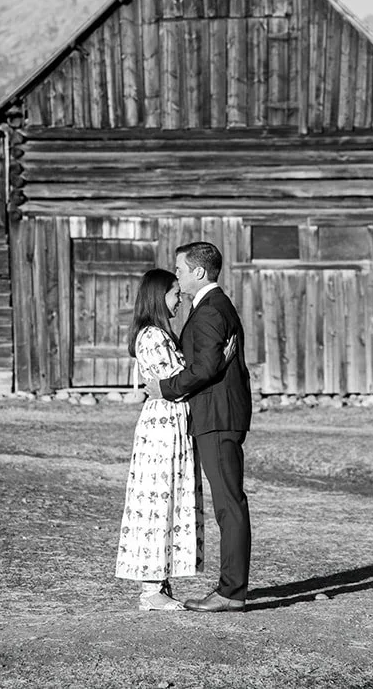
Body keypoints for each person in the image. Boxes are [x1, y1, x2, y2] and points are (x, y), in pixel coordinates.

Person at [144, 241, 253, 613]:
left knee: (228, 504)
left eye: (179, 270)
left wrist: (164, 388)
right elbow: (210, 363)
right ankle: (231, 589)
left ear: (198, 272)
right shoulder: (211, 307)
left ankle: (231, 592)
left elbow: (204, 368)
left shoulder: (209, 311)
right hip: (216, 415)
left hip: (218, 418)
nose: (176, 276)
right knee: (228, 502)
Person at [115, 268, 203, 611]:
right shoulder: (153, 336)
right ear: (158, 296)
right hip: (164, 424)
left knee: (169, 498)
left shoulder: (160, 335)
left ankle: (159, 584)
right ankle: (151, 591)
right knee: (157, 501)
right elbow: (177, 384)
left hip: (170, 422)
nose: (179, 301)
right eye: (175, 294)